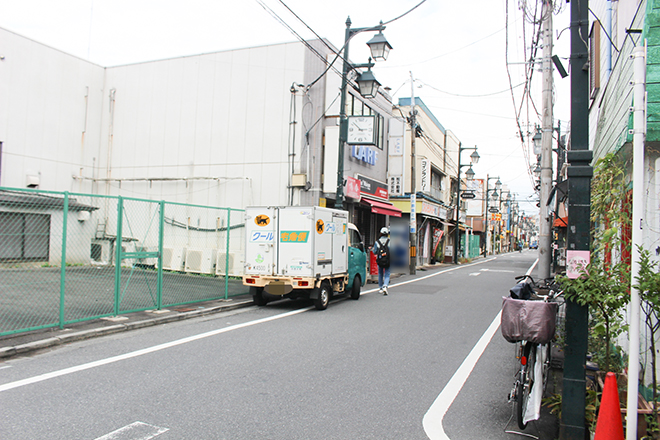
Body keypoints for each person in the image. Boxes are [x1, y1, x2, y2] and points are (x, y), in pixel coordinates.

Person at [373, 226, 391, 295]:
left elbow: (375, 252)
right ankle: (385, 286)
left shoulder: (377, 242)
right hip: (388, 260)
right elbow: (393, 250)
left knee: (380, 273)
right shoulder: (389, 241)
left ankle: (380, 287)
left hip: (380, 259)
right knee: (387, 273)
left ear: (380, 233)